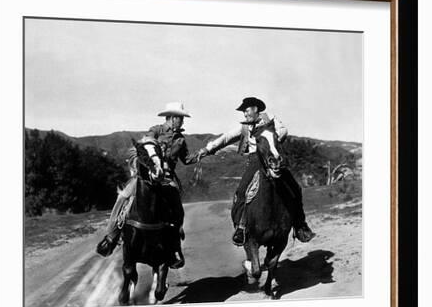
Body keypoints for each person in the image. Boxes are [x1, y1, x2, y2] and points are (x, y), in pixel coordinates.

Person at [194, 97, 316, 245]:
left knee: (295, 188)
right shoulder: (245, 127)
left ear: (255, 109)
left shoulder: (270, 119)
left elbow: (283, 131)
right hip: (255, 161)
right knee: (241, 192)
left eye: (246, 111)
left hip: (272, 156)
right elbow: (226, 138)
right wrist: (208, 149)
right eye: (244, 112)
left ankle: (300, 225)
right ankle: (241, 227)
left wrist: (268, 138)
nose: (245, 115)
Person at [97, 102, 196, 268]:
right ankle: (111, 236)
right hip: (147, 176)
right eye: (180, 118)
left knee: (177, 210)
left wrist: (206, 151)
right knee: (123, 197)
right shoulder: (156, 130)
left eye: (182, 118)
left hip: (167, 179)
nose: (182, 122)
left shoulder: (181, 139)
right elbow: (147, 143)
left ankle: (174, 247)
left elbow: (186, 160)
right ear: (171, 118)